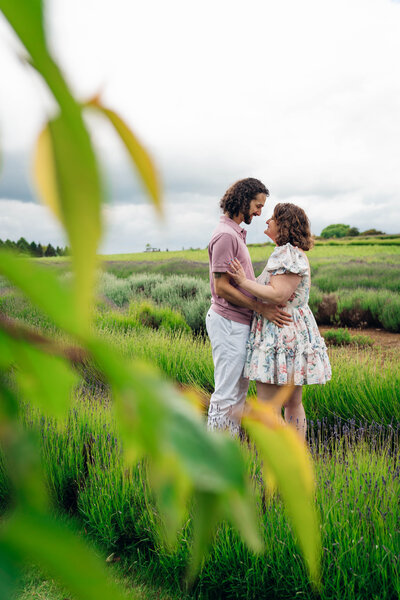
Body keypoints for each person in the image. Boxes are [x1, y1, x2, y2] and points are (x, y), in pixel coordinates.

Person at [228, 202, 331, 440]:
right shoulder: (293, 253)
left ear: (284, 225)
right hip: (291, 331)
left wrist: (243, 282)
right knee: (292, 403)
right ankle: (295, 459)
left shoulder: (287, 253)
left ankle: (280, 460)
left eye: (272, 218)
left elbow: (278, 295)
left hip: (279, 332)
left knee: (269, 405)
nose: (267, 221)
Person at [206, 179, 292, 436]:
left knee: (238, 394)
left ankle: (226, 454)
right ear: (243, 201)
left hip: (238, 323)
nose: (259, 212)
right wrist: (260, 308)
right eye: (257, 205)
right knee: (226, 393)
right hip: (229, 322)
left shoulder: (234, 233)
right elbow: (221, 287)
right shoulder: (225, 235)